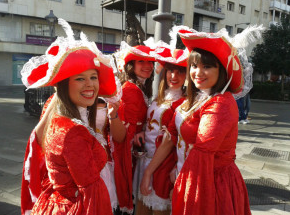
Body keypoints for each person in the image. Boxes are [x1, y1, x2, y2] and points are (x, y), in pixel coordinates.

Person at [141, 25, 263, 215]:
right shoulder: (196, 98)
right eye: (195, 66)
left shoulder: (221, 103)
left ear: (221, 69)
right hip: (189, 177)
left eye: (207, 66)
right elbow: (171, 136)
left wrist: (182, 179)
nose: (198, 72)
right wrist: (149, 171)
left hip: (210, 185)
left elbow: (202, 153)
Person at [20, 18, 118, 215]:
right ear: (64, 86)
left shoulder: (63, 118)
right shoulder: (72, 131)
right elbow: (91, 195)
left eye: (93, 77)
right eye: (80, 79)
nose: (90, 85)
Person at [134, 47, 188, 215]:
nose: (174, 76)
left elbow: (169, 141)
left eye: (180, 72)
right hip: (146, 162)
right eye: (171, 70)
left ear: (188, 76)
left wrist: (149, 172)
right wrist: (143, 131)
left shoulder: (184, 103)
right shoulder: (160, 96)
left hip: (163, 166)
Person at [112, 42, 155, 214]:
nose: (147, 66)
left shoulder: (139, 87)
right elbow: (125, 130)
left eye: (150, 62)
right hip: (129, 154)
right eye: (141, 62)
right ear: (131, 66)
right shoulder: (130, 89)